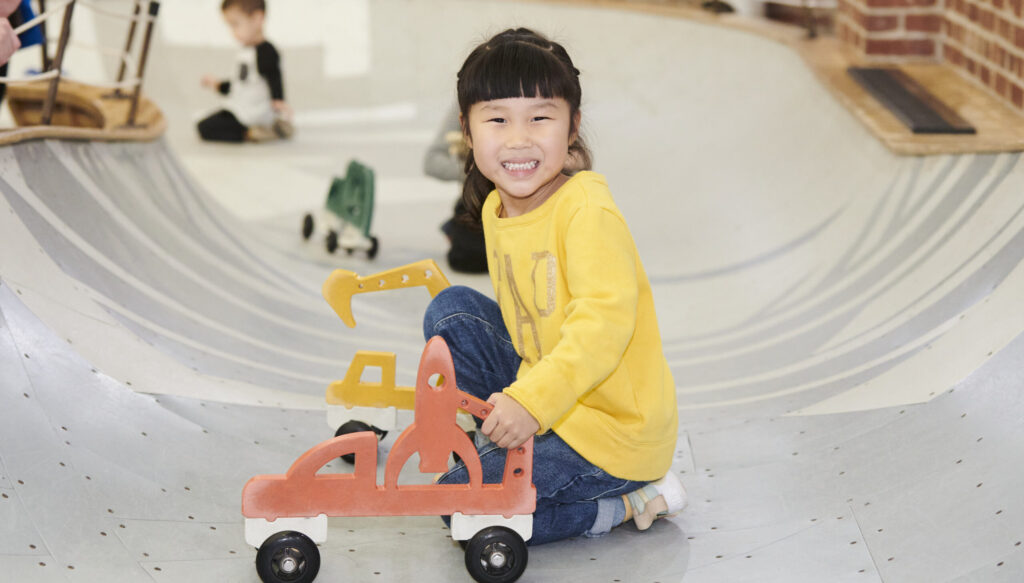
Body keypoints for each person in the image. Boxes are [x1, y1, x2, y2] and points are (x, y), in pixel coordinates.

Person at [424, 28, 686, 546]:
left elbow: (600, 331)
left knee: (459, 503)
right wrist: (525, 399)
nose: (519, 139)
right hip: (548, 386)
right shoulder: (498, 208)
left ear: (572, 127)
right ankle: (505, 447)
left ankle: (621, 503)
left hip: (612, 434)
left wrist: (531, 405)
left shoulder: (587, 213)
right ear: (468, 130)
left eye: (540, 118)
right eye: (497, 119)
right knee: (451, 312)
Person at [197, 0, 292, 143]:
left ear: (257, 18)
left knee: (207, 127)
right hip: (240, 109)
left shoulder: (266, 52)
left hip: (253, 113)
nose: (232, 32)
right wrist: (217, 84)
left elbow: (274, 75)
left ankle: (258, 131)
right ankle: (259, 131)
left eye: (235, 25)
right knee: (205, 124)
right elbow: (241, 84)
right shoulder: (245, 52)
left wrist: (278, 100)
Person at [423, 104, 488, 273]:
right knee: (468, 258)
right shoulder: (468, 97)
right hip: (480, 203)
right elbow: (431, 162)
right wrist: (477, 169)